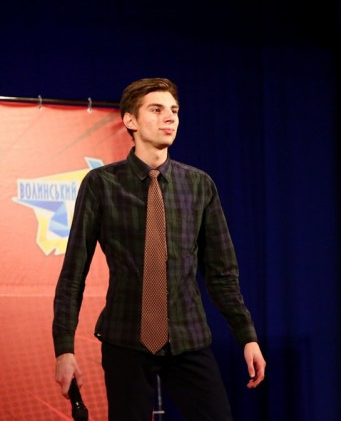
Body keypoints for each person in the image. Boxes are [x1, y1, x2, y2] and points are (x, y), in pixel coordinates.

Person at [53, 77, 266, 420]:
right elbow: (73, 274)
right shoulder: (101, 184)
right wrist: (64, 349)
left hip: (188, 339)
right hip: (125, 340)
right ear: (130, 120)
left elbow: (222, 274)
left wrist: (247, 336)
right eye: (156, 110)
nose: (170, 118)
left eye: (174, 110)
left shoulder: (198, 185)